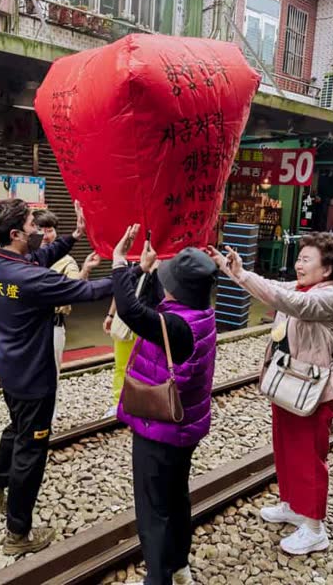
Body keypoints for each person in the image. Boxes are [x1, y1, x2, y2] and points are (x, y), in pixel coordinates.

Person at [0, 199, 113, 555]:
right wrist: (130, 272)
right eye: (34, 224)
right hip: (35, 377)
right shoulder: (32, 280)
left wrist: (74, 237)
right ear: (17, 233)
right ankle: (17, 535)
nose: (39, 229)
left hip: (10, 370)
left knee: (15, 427)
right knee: (31, 452)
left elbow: (40, 257)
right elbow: (88, 291)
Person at [207, 232, 333, 555]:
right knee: (285, 447)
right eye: (299, 258)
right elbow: (271, 287)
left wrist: (242, 274)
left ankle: (314, 527)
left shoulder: (328, 296)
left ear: (326, 270)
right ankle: (292, 505)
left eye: (306, 260)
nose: (298, 265)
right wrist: (230, 268)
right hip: (289, 381)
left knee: (310, 457)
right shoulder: (302, 287)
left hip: (315, 390)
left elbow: (283, 300)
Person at [113, 225, 217, 585]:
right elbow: (147, 301)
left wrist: (118, 264)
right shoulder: (201, 313)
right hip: (186, 428)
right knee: (176, 497)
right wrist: (141, 269)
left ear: (178, 289)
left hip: (160, 429)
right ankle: (178, 565)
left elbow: (129, 310)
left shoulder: (174, 325)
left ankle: (158, 579)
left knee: (153, 511)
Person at [33, 209, 101, 420]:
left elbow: (75, 288)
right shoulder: (27, 256)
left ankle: (46, 422)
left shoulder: (66, 261)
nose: (45, 235)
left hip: (52, 325)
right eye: (40, 230)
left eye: (50, 230)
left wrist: (85, 271)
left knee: (49, 376)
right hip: (28, 326)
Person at [102, 256, 164, 418]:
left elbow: (164, 296)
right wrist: (110, 314)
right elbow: (119, 289)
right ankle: (119, 403)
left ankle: (145, 405)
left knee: (149, 367)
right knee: (121, 365)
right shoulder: (127, 259)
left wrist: (156, 270)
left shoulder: (165, 261)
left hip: (150, 322)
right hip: (126, 321)